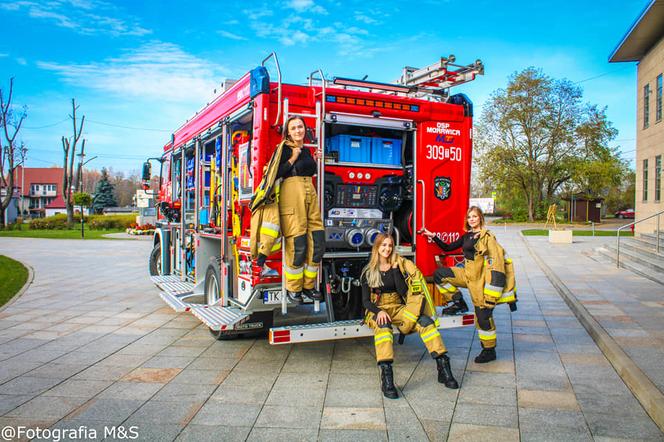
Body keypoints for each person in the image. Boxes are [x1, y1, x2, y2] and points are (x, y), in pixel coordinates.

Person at [361, 233, 458, 399]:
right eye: (384, 245)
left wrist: (395, 270)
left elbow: (403, 292)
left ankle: (443, 367)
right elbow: (365, 301)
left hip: (398, 306)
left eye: (390, 245)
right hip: (377, 308)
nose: (387, 249)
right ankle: (387, 377)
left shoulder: (397, 266)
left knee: (426, 322)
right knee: (384, 330)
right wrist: (379, 312)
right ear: (377, 247)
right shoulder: (368, 271)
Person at [424, 206, 512, 364]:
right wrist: (433, 236)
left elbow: (497, 265)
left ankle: (489, 350)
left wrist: (492, 294)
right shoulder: (467, 236)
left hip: (480, 280)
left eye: (474, 217)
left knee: (483, 317)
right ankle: (458, 302)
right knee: (439, 275)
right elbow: (447, 248)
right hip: (467, 274)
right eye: (469, 217)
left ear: (480, 219)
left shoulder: (488, 237)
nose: (471, 219)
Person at [255, 116, 325, 303]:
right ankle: (294, 289)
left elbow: (306, 170)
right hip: (291, 196)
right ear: (288, 132)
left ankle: (308, 286)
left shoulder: (307, 150)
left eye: (300, 127)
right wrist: (293, 157)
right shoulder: (284, 149)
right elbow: (274, 174)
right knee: (298, 243)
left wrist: (315, 160)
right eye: (293, 128)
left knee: (317, 242)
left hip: (310, 193)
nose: (298, 131)